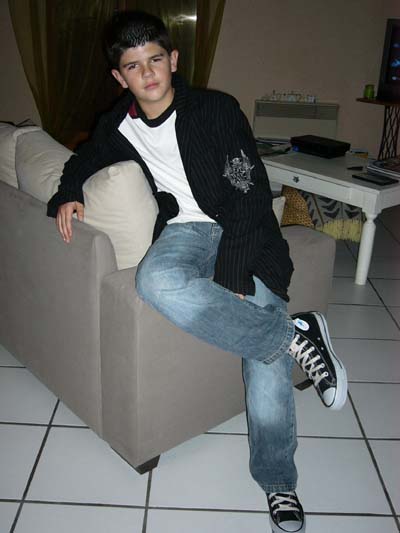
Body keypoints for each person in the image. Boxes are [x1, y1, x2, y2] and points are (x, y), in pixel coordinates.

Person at [47, 11, 347, 533]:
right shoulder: (118, 125)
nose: (148, 73)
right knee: (154, 280)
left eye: (155, 59)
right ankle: (296, 336)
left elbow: (250, 197)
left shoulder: (215, 110)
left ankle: (278, 481)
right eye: (133, 66)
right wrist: (69, 193)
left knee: (263, 360)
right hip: (185, 233)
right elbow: (85, 157)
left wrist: (233, 276)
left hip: (244, 232)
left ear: (173, 60)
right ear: (119, 77)